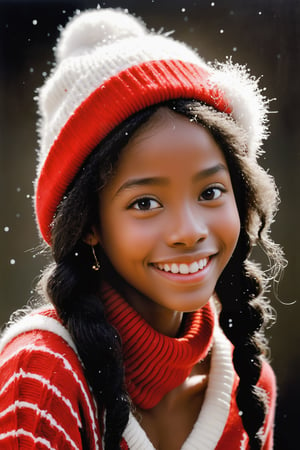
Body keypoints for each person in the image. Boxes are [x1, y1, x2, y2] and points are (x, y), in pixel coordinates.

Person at [0, 8, 285, 450]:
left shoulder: (248, 387)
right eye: (145, 203)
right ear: (90, 224)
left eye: (210, 192)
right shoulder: (42, 376)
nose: (188, 231)